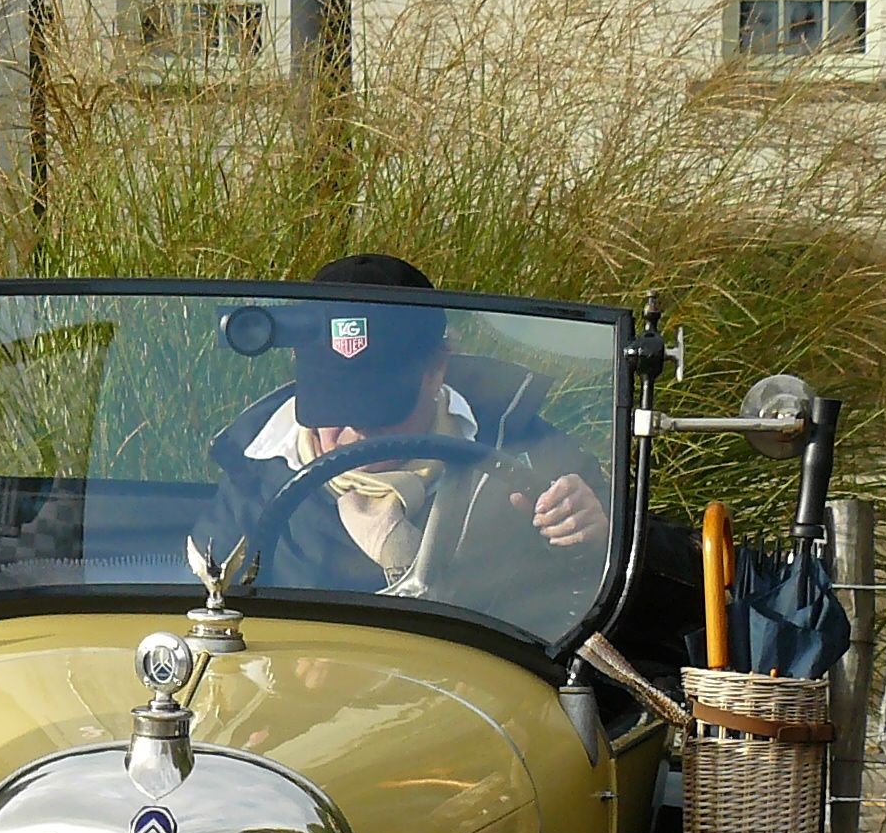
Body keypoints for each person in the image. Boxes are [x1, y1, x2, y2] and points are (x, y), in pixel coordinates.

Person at [192, 254, 610, 596]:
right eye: (334, 403)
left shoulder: (522, 447)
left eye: (379, 407)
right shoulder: (254, 469)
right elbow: (209, 623)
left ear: (437, 369)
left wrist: (597, 537)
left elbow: (654, 585)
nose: (356, 432)